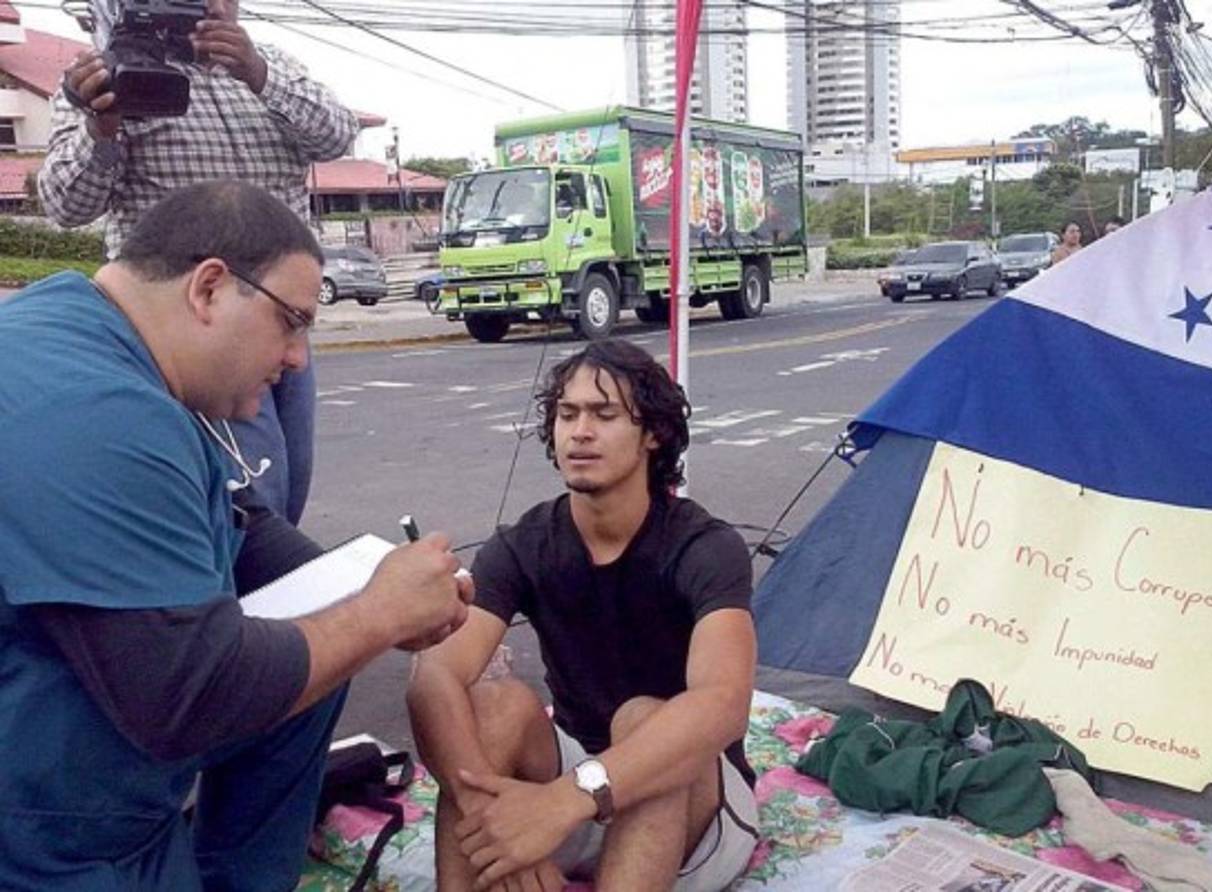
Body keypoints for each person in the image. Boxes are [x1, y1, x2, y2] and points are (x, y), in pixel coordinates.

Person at [0, 180, 473, 891]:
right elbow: (190, 696)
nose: (299, 357)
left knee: (312, 672)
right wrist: (379, 614)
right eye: (292, 321)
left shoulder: (88, 334)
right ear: (210, 288)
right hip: (45, 829)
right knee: (291, 663)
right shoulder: (96, 412)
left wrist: (368, 585)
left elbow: (236, 519)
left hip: (78, 763)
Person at [409, 339, 759, 892]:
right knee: (493, 705)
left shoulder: (704, 547)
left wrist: (562, 802)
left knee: (646, 719)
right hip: (572, 788)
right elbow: (435, 677)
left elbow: (723, 704)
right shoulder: (525, 544)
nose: (580, 431)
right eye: (567, 414)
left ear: (653, 433)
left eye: (604, 414)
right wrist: (492, 823)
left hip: (692, 806)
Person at [37, 0, 360, 525]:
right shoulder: (114, 71)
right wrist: (101, 131)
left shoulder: (271, 63)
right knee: (249, 498)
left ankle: (266, 572)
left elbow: (338, 135)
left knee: (291, 478)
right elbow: (65, 205)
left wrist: (257, 72)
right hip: (193, 331)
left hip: (281, 313)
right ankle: (238, 575)